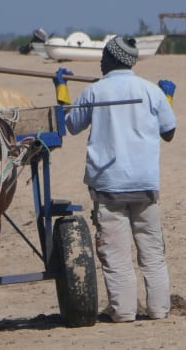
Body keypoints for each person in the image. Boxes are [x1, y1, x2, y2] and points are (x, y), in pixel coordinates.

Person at [64, 36, 177, 323]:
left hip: (109, 186)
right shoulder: (150, 91)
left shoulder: (94, 91)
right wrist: (167, 99)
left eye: (104, 56)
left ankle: (124, 312)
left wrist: (61, 89)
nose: (101, 62)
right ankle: (159, 310)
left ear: (114, 59)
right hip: (145, 184)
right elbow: (168, 131)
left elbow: (71, 125)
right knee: (152, 253)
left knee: (116, 257)